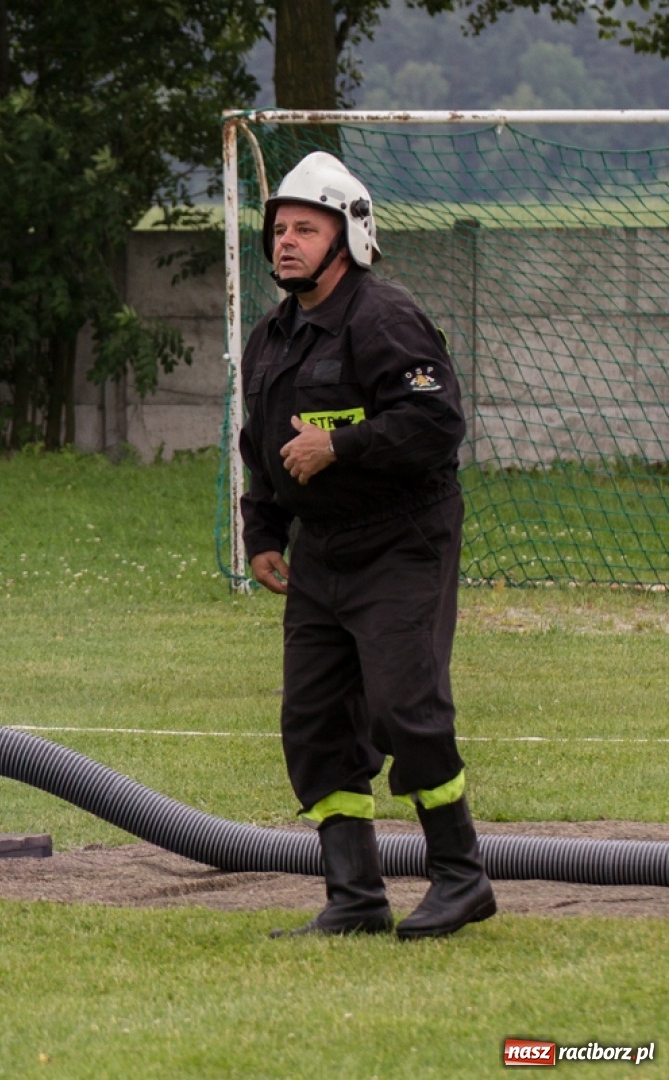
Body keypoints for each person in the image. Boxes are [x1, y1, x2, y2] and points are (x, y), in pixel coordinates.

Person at [238, 151, 495, 940]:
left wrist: (340, 450)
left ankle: (460, 878)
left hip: (403, 539)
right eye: (279, 230)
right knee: (314, 720)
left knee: (403, 708)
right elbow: (261, 445)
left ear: (349, 235)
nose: (286, 242)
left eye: (305, 229)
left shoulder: (386, 318)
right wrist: (264, 532)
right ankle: (355, 896)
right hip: (321, 551)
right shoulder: (271, 336)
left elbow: (437, 423)